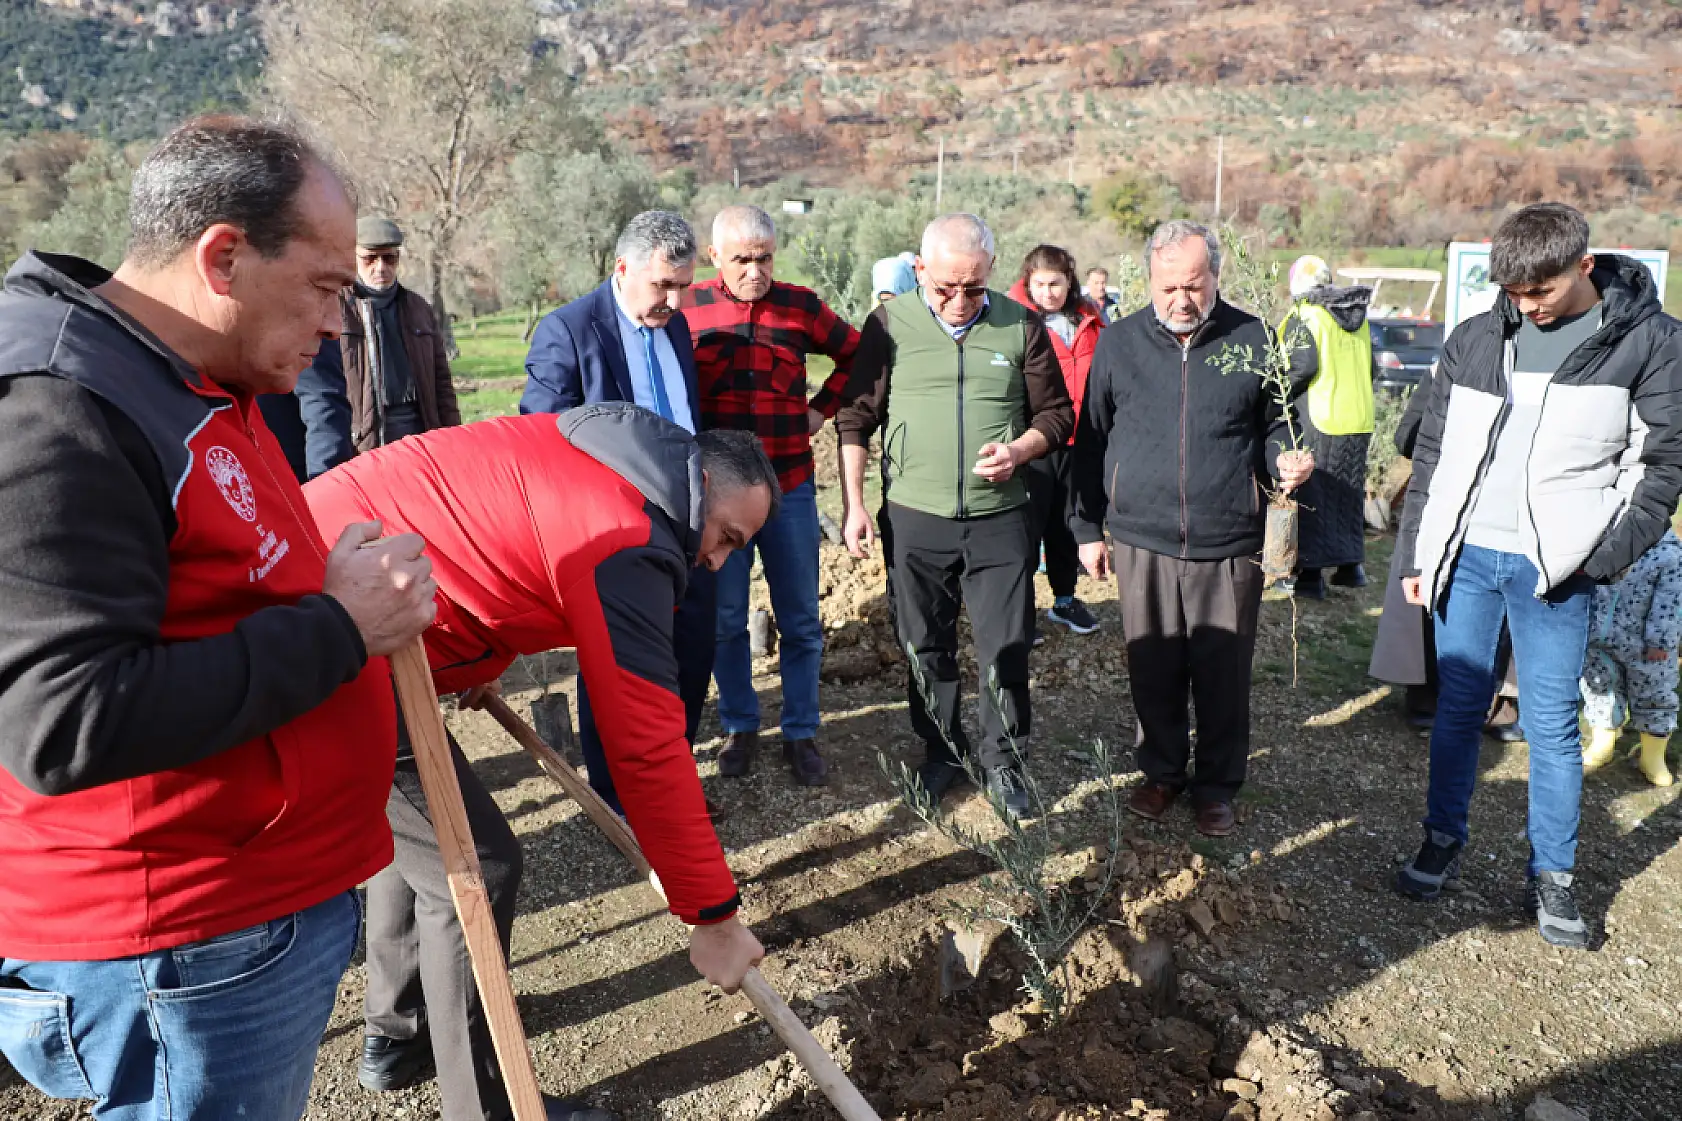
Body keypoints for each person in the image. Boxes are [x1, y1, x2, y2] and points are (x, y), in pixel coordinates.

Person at [0, 115, 438, 1121]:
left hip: (237, 914)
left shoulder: (187, 371)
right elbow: (62, 719)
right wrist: (337, 625)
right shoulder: (58, 408)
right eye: (327, 288)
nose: (340, 325)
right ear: (224, 256)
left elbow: (207, 579)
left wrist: (322, 585)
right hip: (180, 939)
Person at [307, 403, 774, 1121]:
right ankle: (489, 1109)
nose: (716, 560)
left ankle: (398, 1037)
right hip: (337, 624)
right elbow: (646, 742)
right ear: (702, 481)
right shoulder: (625, 531)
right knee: (477, 867)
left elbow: (498, 541)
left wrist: (471, 660)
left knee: (418, 845)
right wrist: (711, 913)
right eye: (725, 537)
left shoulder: (613, 454)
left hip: (347, 591)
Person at [1395, 203, 1682, 948]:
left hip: (1558, 571)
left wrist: (1602, 557)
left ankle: (1552, 874)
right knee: (1459, 706)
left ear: (1585, 266)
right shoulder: (1477, 337)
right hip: (1470, 558)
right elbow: (1432, 454)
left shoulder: (1649, 342)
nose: (1525, 307)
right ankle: (1441, 838)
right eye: (1514, 293)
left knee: (1552, 723)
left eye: (1540, 291)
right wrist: (1421, 555)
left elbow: (1657, 471)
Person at [1071, 220, 1314, 839]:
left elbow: (1275, 426)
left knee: (1222, 670)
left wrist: (1289, 455)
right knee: (1152, 666)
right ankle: (1160, 774)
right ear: (1148, 281)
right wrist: (1086, 528)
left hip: (1229, 537)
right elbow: (1091, 438)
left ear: (1216, 277)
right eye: (1168, 287)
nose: (1182, 300)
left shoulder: (1254, 339)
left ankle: (1216, 785)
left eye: (1195, 285)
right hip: (1142, 535)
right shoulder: (1119, 344)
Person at [837, 213, 1075, 820]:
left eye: (974, 286)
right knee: (923, 643)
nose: (962, 300)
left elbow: (1056, 415)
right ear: (920, 271)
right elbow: (856, 417)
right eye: (946, 287)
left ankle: (1004, 763)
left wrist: (1021, 450)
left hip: (1000, 517)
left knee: (1006, 644)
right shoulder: (891, 324)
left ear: (992, 271)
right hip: (915, 516)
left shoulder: (1020, 325)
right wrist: (856, 504)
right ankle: (942, 753)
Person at [520, 211, 713, 815]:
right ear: (622, 268)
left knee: (692, 654)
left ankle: (670, 781)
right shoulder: (569, 332)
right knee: (617, 667)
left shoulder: (675, 328)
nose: (675, 300)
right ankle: (615, 799)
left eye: (683, 285)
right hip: (615, 535)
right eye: (663, 285)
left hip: (688, 526)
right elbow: (540, 443)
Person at [686, 205, 862, 784]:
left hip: (789, 487)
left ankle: (802, 732)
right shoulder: (687, 310)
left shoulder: (801, 306)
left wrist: (820, 411)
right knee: (727, 619)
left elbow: (859, 355)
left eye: (764, 258)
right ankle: (740, 725)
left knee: (802, 620)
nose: (755, 270)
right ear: (715, 258)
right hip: (719, 496)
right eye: (742, 260)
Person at [295, 217, 461, 477]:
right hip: (363, 442)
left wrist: (453, 440)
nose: (380, 267)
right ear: (353, 258)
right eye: (370, 259)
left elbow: (442, 385)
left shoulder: (419, 308)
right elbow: (320, 394)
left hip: (421, 436)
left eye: (389, 258)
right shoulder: (334, 309)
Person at [1007, 244, 1105, 636]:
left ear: (1070, 283)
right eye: (1041, 284)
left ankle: (1064, 600)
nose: (1048, 292)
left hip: (1080, 440)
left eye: (1056, 283)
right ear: (1028, 283)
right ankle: (1021, 611)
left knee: (1067, 525)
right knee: (1027, 528)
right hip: (1035, 440)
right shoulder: (1014, 321)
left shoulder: (1090, 318)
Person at [1279, 254, 1376, 599]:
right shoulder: (1358, 318)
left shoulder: (1306, 316)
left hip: (1320, 415)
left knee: (1314, 491)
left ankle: (1310, 577)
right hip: (1359, 417)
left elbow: (1301, 366)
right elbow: (1373, 368)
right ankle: (1352, 568)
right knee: (1348, 493)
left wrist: (1276, 393)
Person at [1581, 529, 1682, 788]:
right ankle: (1603, 741)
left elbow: (1672, 602)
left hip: (1647, 648)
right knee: (1601, 688)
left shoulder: (1668, 552)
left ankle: (1653, 756)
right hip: (1601, 639)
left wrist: (1661, 640)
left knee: (1654, 695)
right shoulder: (1603, 539)